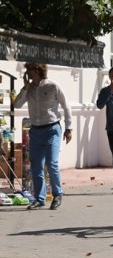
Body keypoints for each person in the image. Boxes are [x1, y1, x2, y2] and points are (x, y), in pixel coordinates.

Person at [15, 62, 72, 210]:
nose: (29, 74)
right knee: (36, 165)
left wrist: (69, 128)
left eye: (32, 71)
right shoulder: (29, 90)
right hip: (35, 131)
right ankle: (39, 199)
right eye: (28, 71)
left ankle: (57, 194)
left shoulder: (52, 86)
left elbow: (66, 106)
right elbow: (17, 105)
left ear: (40, 71)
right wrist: (25, 88)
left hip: (52, 129)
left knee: (51, 163)